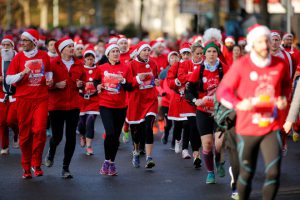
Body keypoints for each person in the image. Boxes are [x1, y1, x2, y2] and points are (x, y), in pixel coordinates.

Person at [216, 24, 291, 200]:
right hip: (247, 128)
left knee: (273, 173)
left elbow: (286, 85)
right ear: (252, 44)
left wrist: (283, 98)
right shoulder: (242, 65)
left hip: (271, 126)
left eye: (266, 40)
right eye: (260, 42)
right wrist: (238, 104)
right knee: (246, 175)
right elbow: (222, 92)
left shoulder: (280, 64)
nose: (265, 45)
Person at [6, 29, 52, 179]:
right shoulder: (18, 57)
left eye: (25, 40)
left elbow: (49, 73)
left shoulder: (44, 56)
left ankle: (36, 163)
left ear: (34, 42)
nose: (22, 43)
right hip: (23, 100)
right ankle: (26, 166)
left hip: (41, 99)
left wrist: (49, 81)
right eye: (22, 40)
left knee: (39, 131)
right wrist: (23, 73)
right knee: (25, 135)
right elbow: (8, 80)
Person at [185, 41, 228, 183]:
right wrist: (195, 100)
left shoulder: (224, 69)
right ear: (204, 54)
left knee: (219, 143)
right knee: (208, 144)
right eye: (209, 52)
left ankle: (219, 161)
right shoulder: (199, 70)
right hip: (203, 111)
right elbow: (189, 91)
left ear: (217, 54)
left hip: (220, 111)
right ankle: (210, 172)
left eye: (214, 52)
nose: (211, 54)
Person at [45, 37, 85, 179]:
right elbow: (45, 85)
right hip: (56, 106)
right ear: (61, 50)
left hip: (73, 105)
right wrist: (55, 85)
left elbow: (85, 83)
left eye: (72, 46)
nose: (72, 48)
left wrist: (82, 85)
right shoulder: (51, 63)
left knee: (71, 137)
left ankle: (65, 167)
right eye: (68, 46)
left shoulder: (79, 65)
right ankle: (51, 151)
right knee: (57, 136)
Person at [95, 43, 132, 176]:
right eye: (113, 51)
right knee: (109, 133)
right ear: (108, 54)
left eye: (117, 51)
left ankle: (111, 163)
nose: (116, 53)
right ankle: (106, 161)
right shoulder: (101, 68)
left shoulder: (126, 68)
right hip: (105, 105)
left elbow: (130, 87)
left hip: (120, 106)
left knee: (115, 136)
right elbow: (95, 81)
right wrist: (98, 86)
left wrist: (123, 81)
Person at [126, 41, 159, 169]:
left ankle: (149, 157)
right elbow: (128, 85)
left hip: (150, 100)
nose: (146, 52)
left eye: (148, 50)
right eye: (144, 50)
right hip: (136, 101)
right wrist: (138, 78)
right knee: (137, 131)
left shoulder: (153, 63)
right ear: (139, 52)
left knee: (148, 127)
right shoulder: (131, 65)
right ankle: (136, 151)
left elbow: (155, 79)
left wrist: (156, 81)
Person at [77, 48, 99, 155]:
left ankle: (89, 146)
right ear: (84, 60)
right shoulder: (80, 69)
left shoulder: (98, 69)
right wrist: (78, 84)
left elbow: (101, 80)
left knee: (90, 121)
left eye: (92, 59)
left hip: (94, 99)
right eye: (88, 59)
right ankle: (82, 135)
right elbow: (74, 80)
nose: (90, 61)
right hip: (81, 99)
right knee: (81, 124)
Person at [0, 35, 19, 154]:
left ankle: (17, 133)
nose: (6, 47)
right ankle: (4, 147)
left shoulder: (18, 58)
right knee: (1, 122)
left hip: (15, 95)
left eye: (8, 45)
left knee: (11, 120)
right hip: (2, 94)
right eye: (4, 45)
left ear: (13, 46)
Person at [159, 51, 180, 144]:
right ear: (169, 60)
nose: (174, 59)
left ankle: (174, 142)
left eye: (176, 57)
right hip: (166, 102)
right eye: (172, 57)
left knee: (177, 124)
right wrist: (162, 92)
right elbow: (158, 85)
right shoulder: (164, 72)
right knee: (169, 123)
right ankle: (166, 133)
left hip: (177, 101)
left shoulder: (181, 70)